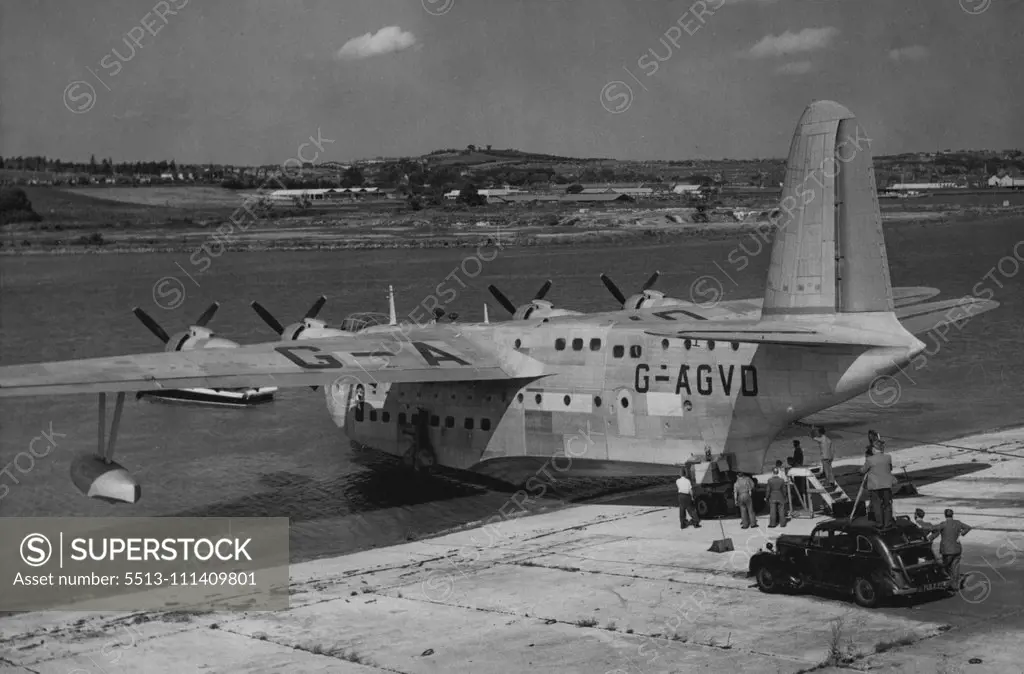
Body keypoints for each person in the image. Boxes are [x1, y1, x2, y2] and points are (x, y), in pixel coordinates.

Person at [931, 509, 972, 588]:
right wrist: (961, 533)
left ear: (945, 515)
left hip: (946, 550)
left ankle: (948, 583)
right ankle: (955, 585)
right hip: (957, 549)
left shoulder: (943, 524)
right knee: (955, 567)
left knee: (945, 566)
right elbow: (968, 527)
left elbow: (934, 529)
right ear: (952, 514)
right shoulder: (958, 523)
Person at [860, 439, 895, 527]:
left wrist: (860, 470)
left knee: (877, 505)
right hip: (886, 485)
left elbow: (863, 470)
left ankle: (879, 523)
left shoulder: (870, 459)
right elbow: (890, 468)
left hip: (875, 486)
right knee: (887, 504)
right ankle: (888, 522)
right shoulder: (888, 457)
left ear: (874, 449)